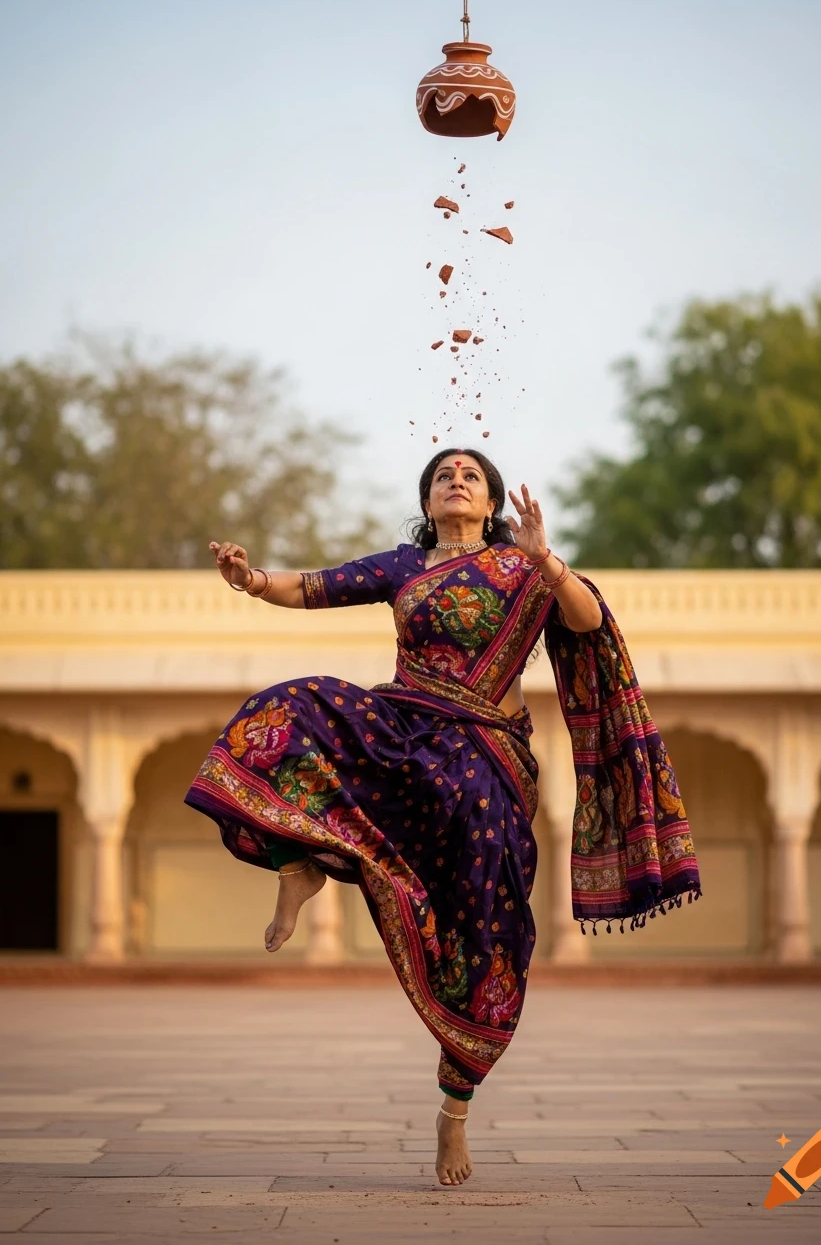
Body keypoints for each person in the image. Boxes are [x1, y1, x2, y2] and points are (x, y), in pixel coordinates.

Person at [185, 447, 700, 1187]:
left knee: (485, 938)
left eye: (471, 475)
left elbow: (588, 621)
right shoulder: (405, 567)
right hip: (405, 738)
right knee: (286, 708)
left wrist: (547, 560)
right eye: (441, 476)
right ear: (428, 504)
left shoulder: (526, 568)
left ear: (491, 503)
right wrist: (250, 579)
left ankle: (453, 1117)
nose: (455, 481)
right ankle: (302, 864)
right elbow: (314, 588)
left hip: (486, 769)